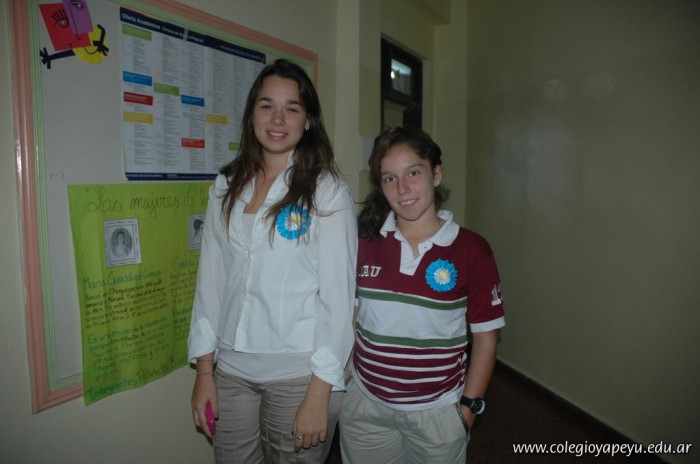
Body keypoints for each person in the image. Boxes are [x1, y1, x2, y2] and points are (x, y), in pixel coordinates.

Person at [188, 59, 357, 464]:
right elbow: (211, 283)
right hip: (230, 371)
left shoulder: (327, 192)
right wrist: (204, 371)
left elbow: (338, 299)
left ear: (308, 121)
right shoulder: (225, 186)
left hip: (300, 375)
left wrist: (320, 392)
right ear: (251, 115)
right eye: (267, 105)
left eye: (291, 108)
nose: (277, 118)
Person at [340, 127, 505, 464]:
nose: (402, 189)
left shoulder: (472, 250)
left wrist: (467, 411)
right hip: (366, 407)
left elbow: (486, 339)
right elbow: (353, 318)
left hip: (437, 414)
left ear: (436, 174)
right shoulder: (364, 242)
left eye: (413, 173)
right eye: (389, 178)